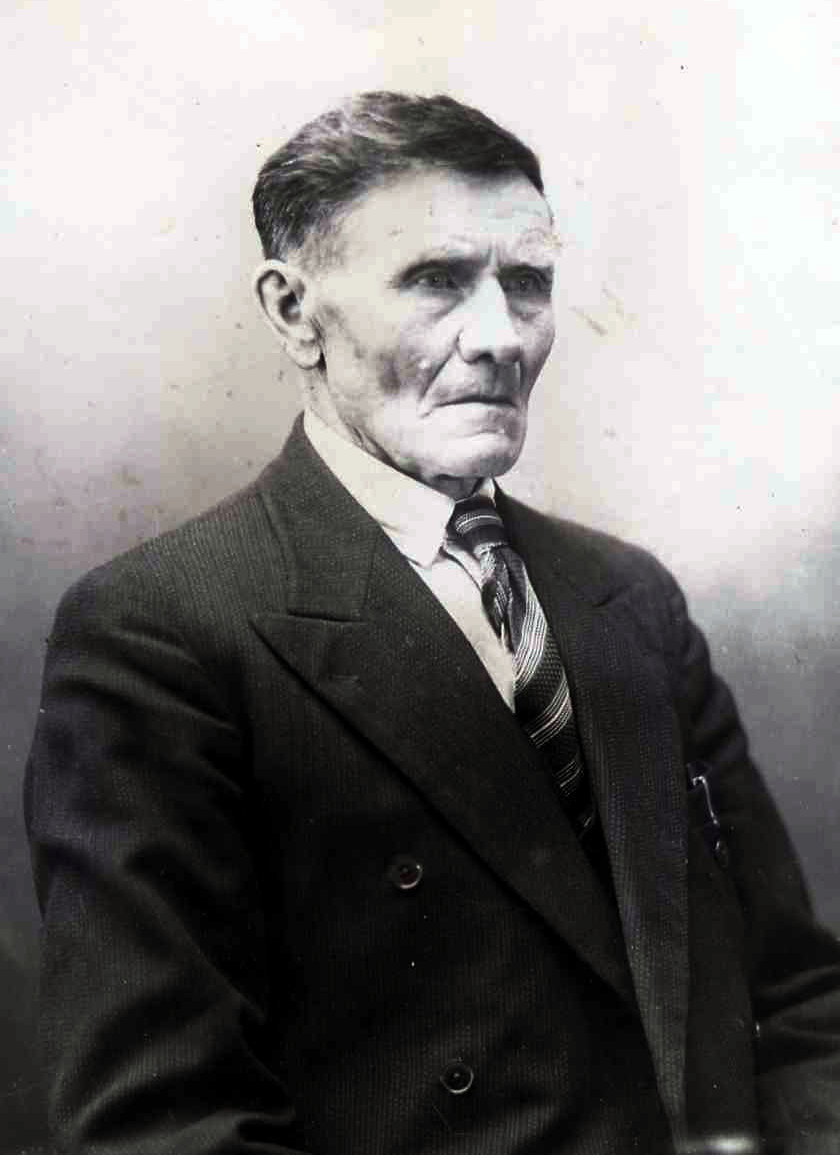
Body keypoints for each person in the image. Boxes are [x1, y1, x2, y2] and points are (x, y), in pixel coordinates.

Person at [25, 92, 840, 1155]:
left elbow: (801, 1004)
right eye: (436, 280)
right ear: (293, 312)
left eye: (528, 284)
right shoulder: (162, 630)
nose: (500, 338)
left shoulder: (629, 598)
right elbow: (164, 1121)